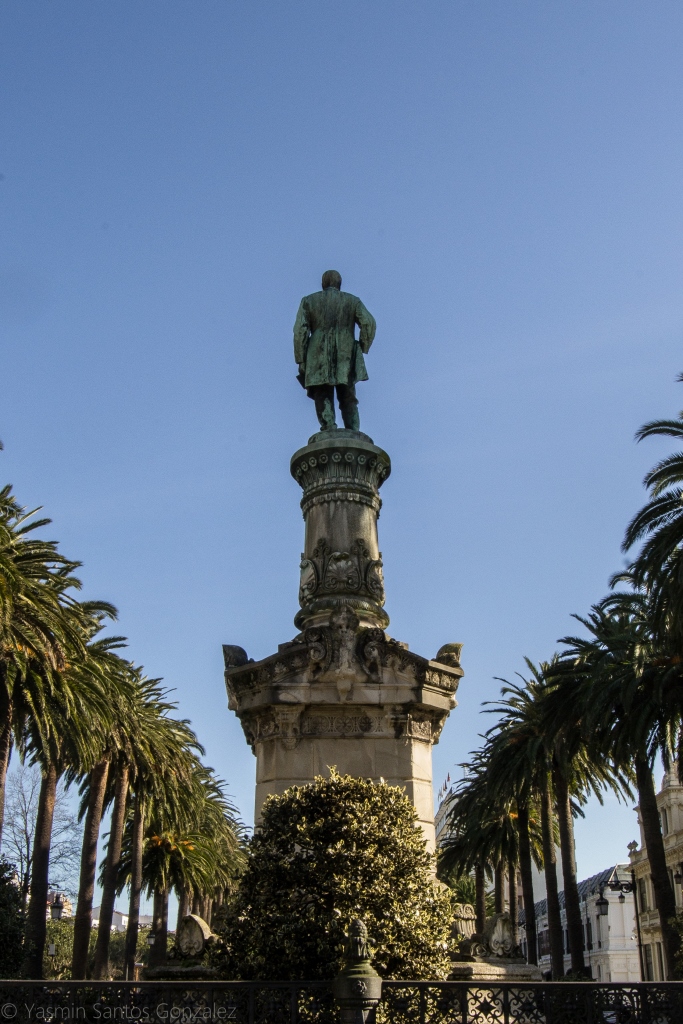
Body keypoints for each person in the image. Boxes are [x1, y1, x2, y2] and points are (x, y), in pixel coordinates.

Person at [293, 270, 376, 431]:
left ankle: (328, 426)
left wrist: (301, 358)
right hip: (346, 351)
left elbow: (300, 331)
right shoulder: (353, 301)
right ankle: (353, 429)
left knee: (322, 392)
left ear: (323, 284)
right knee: (348, 393)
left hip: (317, 350)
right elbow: (369, 323)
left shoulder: (309, 301)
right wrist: (362, 346)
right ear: (339, 284)